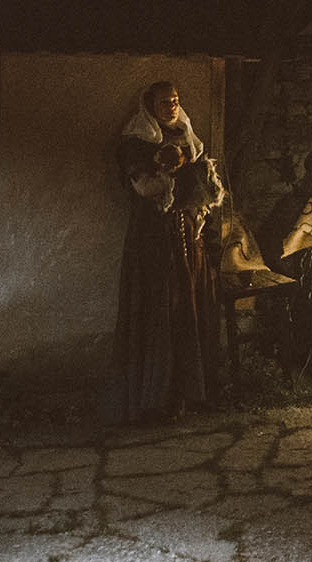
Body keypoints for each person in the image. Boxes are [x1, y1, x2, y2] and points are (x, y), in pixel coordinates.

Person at [103, 80, 225, 424]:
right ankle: (154, 396)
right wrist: (179, 177)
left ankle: (189, 393)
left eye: (175, 99)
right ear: (150, 106)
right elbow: (144, 188)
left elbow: (202, 181)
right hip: (153, 237)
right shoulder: (136, 142)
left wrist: (191, 179)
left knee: (188, 306)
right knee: (159, 308)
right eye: (163, 101)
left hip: (187, 233)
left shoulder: (187, 135)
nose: (171, 106)